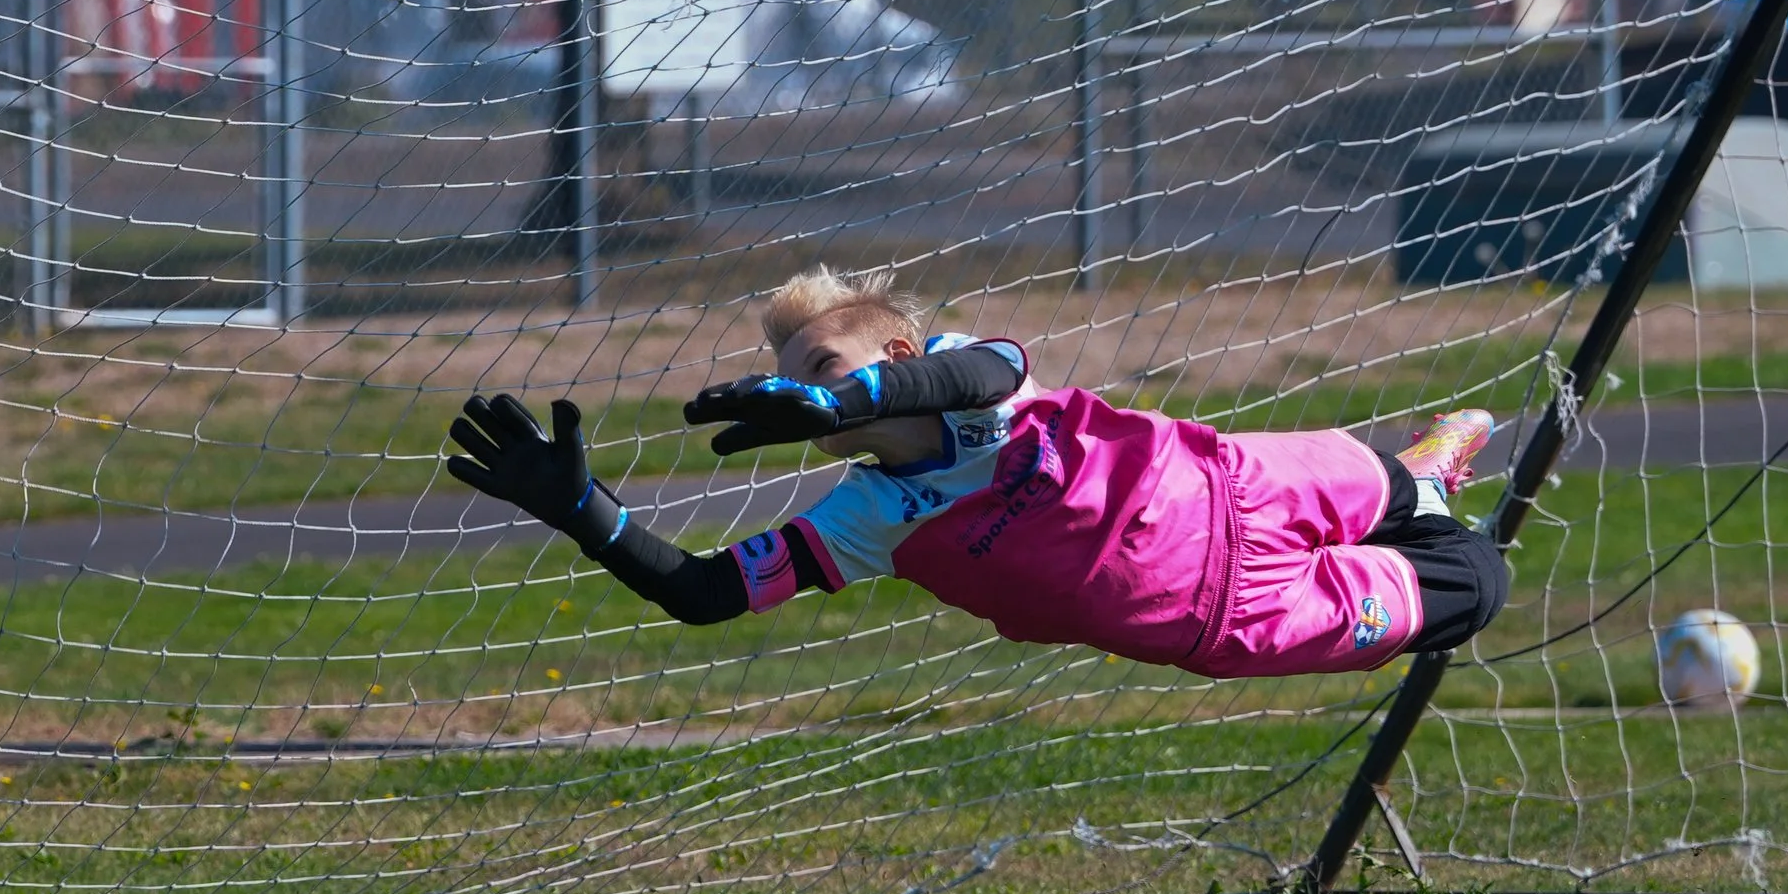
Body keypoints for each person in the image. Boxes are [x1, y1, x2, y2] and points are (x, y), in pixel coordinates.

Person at [446, 264, 1507, 681]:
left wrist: (832, 400)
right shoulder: (869, 517)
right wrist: (580, 511)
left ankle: (1421, 470)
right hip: (1225, 613)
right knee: (1475, 584)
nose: (798, 390)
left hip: (1239, 483)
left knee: (1382, 482)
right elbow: (704, 592)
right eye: (787, 379)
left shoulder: (977, 380)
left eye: (817, 363)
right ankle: (1429, 495)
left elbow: (980, 366)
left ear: (896, 362)